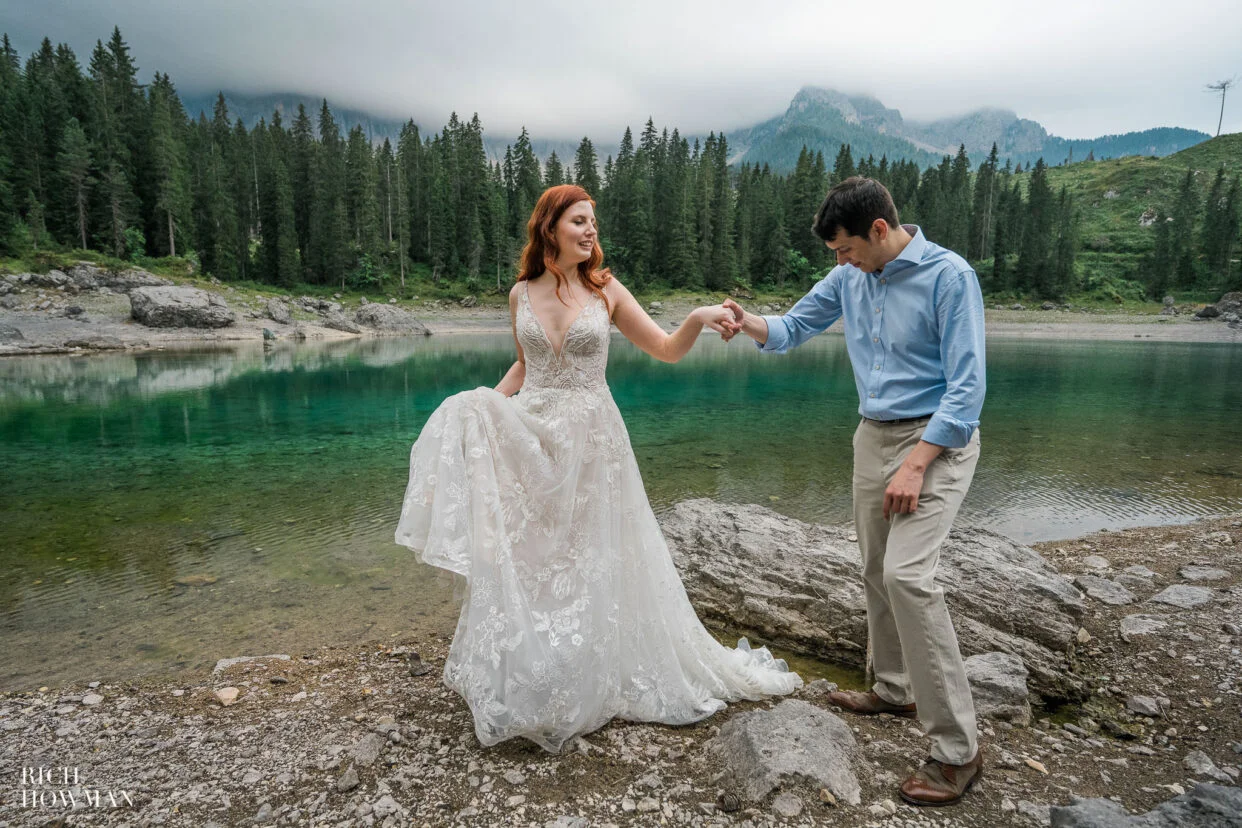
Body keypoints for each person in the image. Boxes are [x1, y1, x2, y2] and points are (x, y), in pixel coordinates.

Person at [395, 184, 802, 753]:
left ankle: (594, 673)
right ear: (550, 228)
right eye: (580, 221)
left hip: (594, 440)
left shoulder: (605, 288)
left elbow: (663, 348)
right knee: (536, 555)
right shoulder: (520, 294)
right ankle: (538, 672)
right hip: (535, 435)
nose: (591, 232)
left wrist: (697, 318)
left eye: (594, 223)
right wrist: (485, 410)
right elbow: (523, 364)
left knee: (592, 555)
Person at [723, 176, 986, 807]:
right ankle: (894, 688)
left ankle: (959, 749)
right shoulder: (849, 278)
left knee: (910, 576)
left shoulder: (951, 277)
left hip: (937, 441)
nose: (841, 264)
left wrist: (919, 462)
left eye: (844, 250)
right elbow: (790, 328)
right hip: (873, 436)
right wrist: (745, 321)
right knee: (873, 567)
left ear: (878, 230)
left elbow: (968, 387)